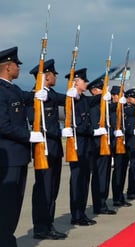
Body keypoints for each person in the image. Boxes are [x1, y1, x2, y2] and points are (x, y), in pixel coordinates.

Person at [0, 46, 41, 247]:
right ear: (8, 67)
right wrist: (29, 135)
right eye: (16, 65)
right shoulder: (1, 91)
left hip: (20, 157)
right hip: (9, 158)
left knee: (15, 205)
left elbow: (27, 97)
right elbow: (3, 125)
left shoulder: (13, 89)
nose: (19, 68)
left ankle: (8, 239)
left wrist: (39, 92)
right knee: (7, 205)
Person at [29, 59, 67, 240]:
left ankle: (48, 223)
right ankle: (40, 226)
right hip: (43, 149)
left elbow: (65, 99)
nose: (56, 76)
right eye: (53, 74)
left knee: (53, 189)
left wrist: (74, 93)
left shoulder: (50, 94)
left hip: (55, 149)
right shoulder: (35, 96)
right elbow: (31, 118)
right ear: (46, 76)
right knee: (43, 189)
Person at [64, 68, 97, 226]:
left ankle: (81, 213)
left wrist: (104, 96)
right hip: (78, 146)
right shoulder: (71, 100)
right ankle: (76, 215)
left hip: (87, 147)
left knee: (84, 181)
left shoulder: (83, 99)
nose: (87, 83)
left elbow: (94, 102)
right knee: (77, 181)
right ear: (76, 82)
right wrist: (94, 131)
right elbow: (77, 125)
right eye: (84, 81)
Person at [87, 78, 117, 215]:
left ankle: (102, 202)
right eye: (100, 89)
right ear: (94, 91)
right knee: (99, 176)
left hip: (106, 144)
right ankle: (99, 204)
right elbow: (93, 124)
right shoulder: (94, 107)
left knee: (105, 175)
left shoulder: (102, 105)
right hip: (98, 145)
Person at [109, 86, 133, 207]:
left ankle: (120, 195)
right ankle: (116, 197)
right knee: (118, 171)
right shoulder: (111, 109)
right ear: (113, 96)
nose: (121, 98)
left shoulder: (124, 109)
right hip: (115, 144)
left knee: (123, 171)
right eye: (119, 95)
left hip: (125, 144)